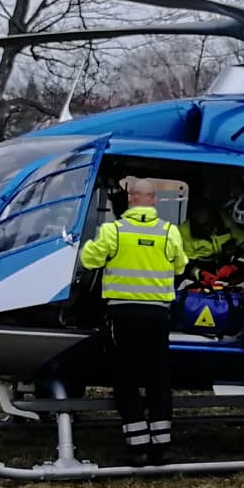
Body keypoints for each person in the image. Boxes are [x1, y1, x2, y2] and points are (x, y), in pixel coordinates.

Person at [79, 178, 188, 464]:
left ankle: (138, 445)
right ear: (154, 199)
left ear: (130, 199)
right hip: (158, 315)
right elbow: (180, 265)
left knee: (126, 376)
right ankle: (162, 444)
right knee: (157, 377)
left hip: (123, 314)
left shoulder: (113, 230)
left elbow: (89, 260)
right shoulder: (169, 232)